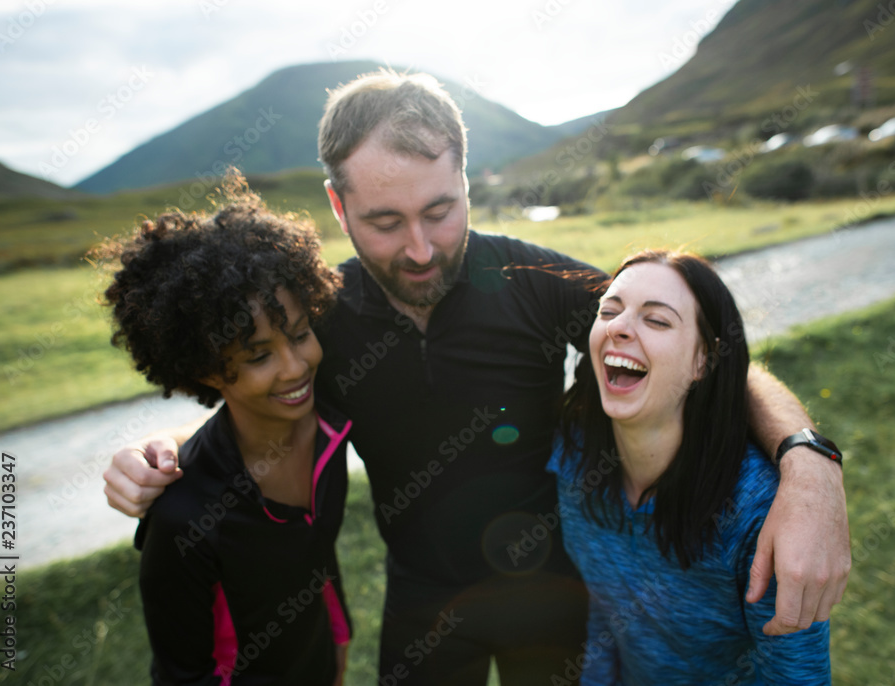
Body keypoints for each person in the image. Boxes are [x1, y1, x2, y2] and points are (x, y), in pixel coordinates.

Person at [103, 69, 850, 685]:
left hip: (552, 593)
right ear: (338, 205)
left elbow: (694, 355)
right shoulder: (321, 312)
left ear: (467, 179)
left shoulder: (532, 278)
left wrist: (808, 462)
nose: (422, 250)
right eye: (386, 222)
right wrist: (166, 447)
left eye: (441, 210)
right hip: (421, 597)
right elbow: (260, 391)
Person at [98, 175, 351, 685]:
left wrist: (339, 642)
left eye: (301, 335)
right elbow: (181, 675)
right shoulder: (182, 520)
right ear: (205, 369)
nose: (295, 367)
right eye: (259, 356)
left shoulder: (331, 421)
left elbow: (314, 557)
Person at [549, 250, 831, 685]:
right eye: (609, 311)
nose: (619, 327)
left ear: (704, 360)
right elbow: (605, 613)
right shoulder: (574, 456)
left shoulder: (758, 510)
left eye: (657, 320)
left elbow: (794, 676)